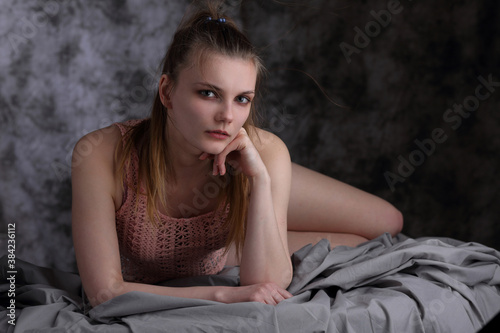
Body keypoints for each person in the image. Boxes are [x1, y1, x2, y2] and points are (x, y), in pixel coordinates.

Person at [71, 2, 402, 308]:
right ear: (167, 92)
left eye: (242, 99)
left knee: (387, 224)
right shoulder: (100, 154)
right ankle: (230, 245)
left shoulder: (264, 151)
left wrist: (258, 180)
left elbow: (267, 284)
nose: (227, 116)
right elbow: (105, 292)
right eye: (209, 93)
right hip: (220, 249)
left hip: (241, 205)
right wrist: (223, 293)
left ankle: (240, 235)